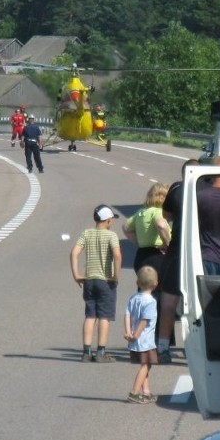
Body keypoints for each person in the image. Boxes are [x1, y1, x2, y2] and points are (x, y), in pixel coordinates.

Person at [156, 159, 199, 364]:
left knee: (168, 302)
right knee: (200, 303)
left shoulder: (175, 190)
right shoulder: (204, 192)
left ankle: (163, 348)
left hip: (176, 251)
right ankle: (198, 348)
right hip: (200, 252)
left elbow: (166, 215)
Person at [70, 204, 122, 363]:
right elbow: (117, 256)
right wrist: (115, 276)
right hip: (105, 280)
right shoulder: (111, 236)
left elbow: (74, 253)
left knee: (90, 315)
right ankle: (100, 352)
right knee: (104, 316)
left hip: (89, 280)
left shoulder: (87, 233)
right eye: (112, 219)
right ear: (107, 221)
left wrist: (76, 274)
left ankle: (86, 352)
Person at [124, 266, 159, 404]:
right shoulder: (151, 301)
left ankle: (146, 392)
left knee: (145, 364)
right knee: (146, 365)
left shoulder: (134, 297)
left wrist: (128, 332)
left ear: (137, 282)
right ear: (156, 283)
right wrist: (136, 335)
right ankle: (134, 392)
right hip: (145, 340)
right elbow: (145, 321)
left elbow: (127, 315)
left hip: (135, 338)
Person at [123, 183, 171, 273]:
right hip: (156, 255)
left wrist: (138, 241)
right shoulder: (158, 211)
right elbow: (161, 225)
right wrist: (167, 245)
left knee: (143, 284)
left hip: (141, 256)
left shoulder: (141, 212)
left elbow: (126, 227)